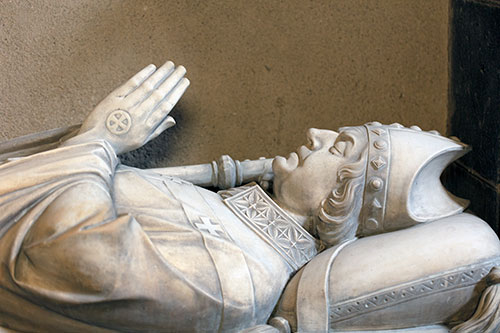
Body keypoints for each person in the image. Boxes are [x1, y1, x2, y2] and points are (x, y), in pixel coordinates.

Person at [0, 62, 498, 333]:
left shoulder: (237, 280)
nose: (318, 133)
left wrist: (100, 141)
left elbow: (67, 257)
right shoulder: (233, 219)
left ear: (338, 200)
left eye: (341, 146)